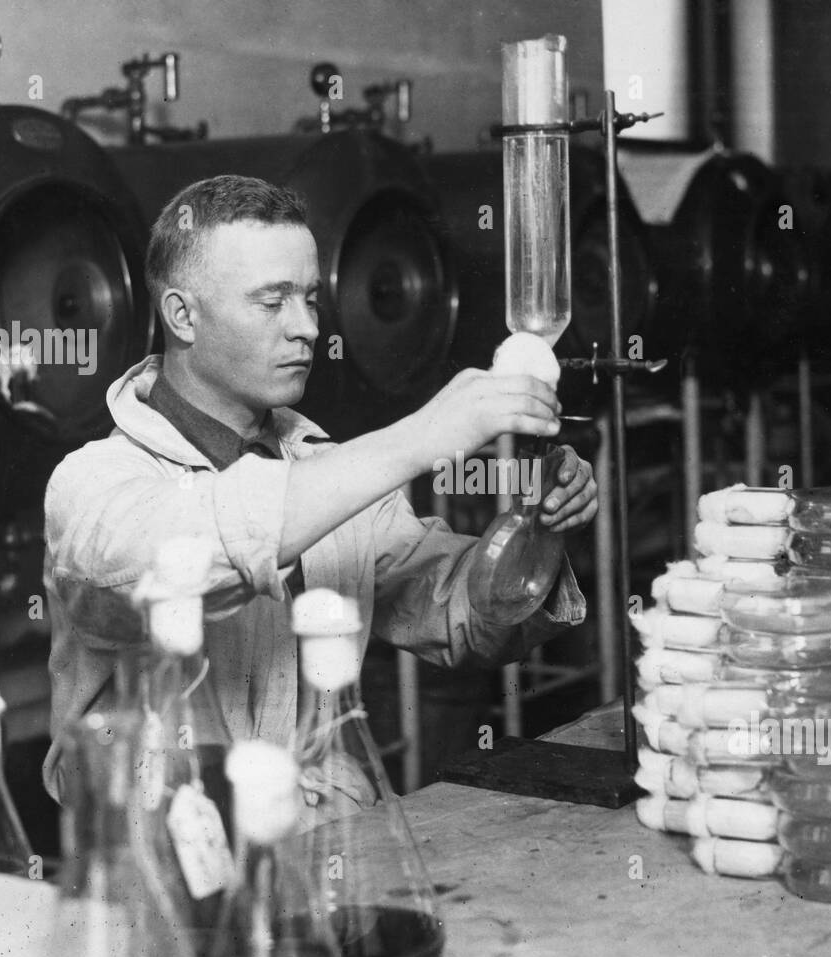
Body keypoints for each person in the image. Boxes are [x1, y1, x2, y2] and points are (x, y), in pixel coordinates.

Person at [40, 175, 598, 800]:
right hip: (159, 852)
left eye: (310, 297)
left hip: (325, 832)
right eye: (271, 301)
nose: (306, 326)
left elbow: (461, 622)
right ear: (182, 314)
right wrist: (422, 437)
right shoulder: (93, 483)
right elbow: (186, 553)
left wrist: (534, 533)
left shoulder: (326, 469)